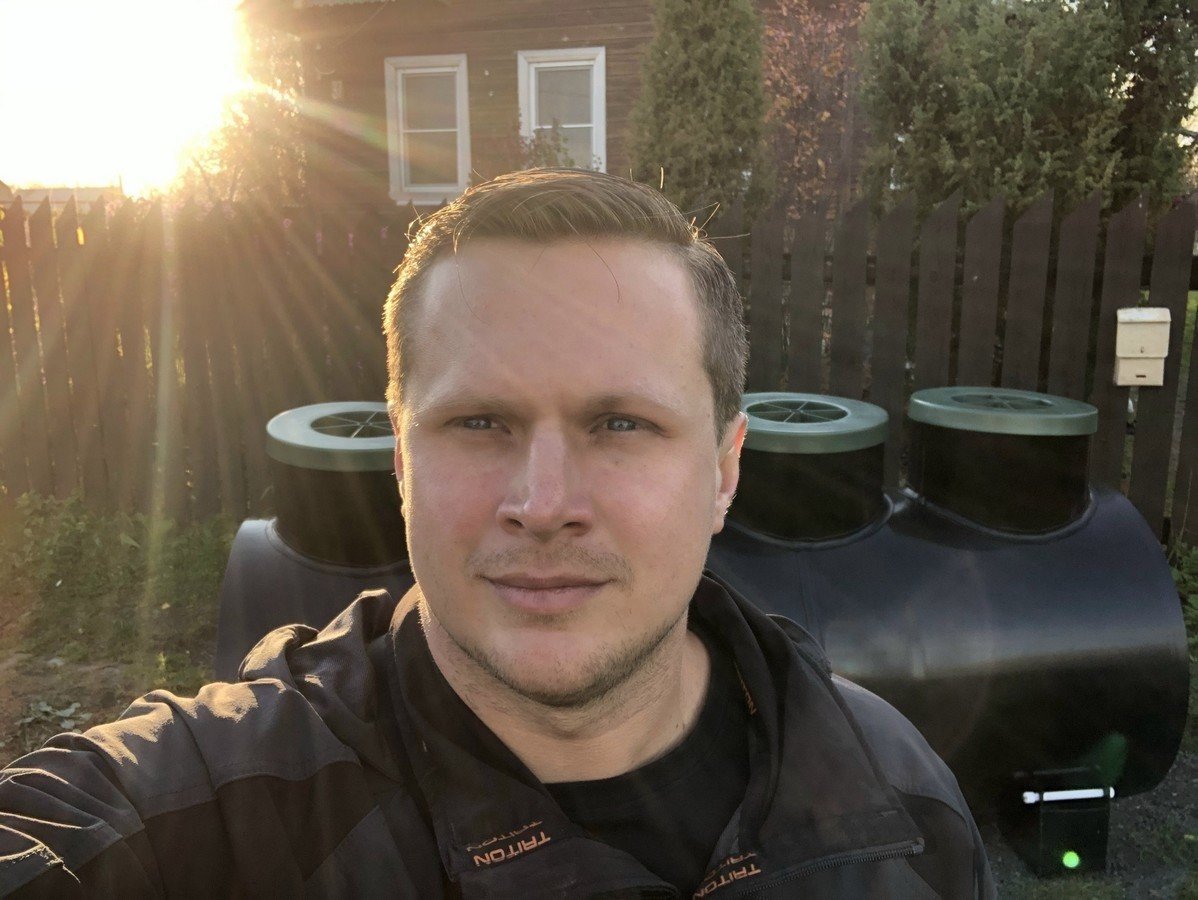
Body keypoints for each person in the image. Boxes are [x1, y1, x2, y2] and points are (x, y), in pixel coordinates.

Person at [0, 169, 994, 898]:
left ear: (724, 469)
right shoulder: (216, 809)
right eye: (479, 423)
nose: (543, 501)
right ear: (402, 462)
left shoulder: (897, 798)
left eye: (621, 425)